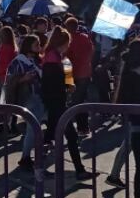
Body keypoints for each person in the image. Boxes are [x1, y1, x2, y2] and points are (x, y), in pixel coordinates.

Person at [107, 39, 140, 198]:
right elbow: (135, 96)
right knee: (130, 145)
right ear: (138, 55)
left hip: (139, 118)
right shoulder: (133, 73)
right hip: (136, 117)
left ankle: (113, 175)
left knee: (127, 144)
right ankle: (114, 176)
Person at [42, 27, 91, 180]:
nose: (69, 45)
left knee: (51, 136)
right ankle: (79, 170)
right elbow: (52, 84)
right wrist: (66, 85)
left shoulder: (58, 58)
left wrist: (68, 84)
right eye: (68, 42)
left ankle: (37, 166)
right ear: (62, 43)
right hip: (57, 103)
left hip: (57, 102)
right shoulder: (53, 59)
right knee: (70, 136)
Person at [8, 35, 45, 172]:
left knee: (35, 127)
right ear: (28, 45)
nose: (39, 47)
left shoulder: (37, 60)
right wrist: (23, 79)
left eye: (39, 44)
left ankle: (29, 155)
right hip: (29, 98)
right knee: (33, 128)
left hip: (40, 97)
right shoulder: (18, 61)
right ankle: (26, 157)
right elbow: (10, 81)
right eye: (36, 44)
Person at [64, 17, 95, 135]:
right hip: (85, 73)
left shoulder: (68, 39)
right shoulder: (85, 38)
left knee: (76, 101)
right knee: (81, 99)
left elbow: (66, 58)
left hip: (73, 73)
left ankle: (81, 127)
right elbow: (91, 51)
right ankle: (83, 126)